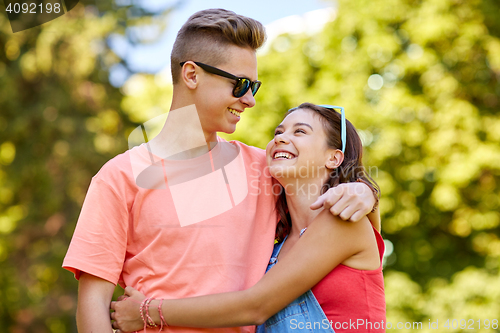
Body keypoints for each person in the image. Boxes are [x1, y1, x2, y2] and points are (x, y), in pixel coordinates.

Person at [62, 9, 379, 333]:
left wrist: (365, 191)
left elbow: (330, 198)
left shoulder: (266, 169)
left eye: (253, 86)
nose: (250, 100)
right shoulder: (119, 177)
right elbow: (94, 303)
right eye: (240, 84)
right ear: (192, 75)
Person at [110, 103, 385, 333]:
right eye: (278, 131)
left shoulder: (343, 221)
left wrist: (148, 312)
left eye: (299, 131)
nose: (280, 137)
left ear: (334, 158)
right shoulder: (274, 246)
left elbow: (255, 307)